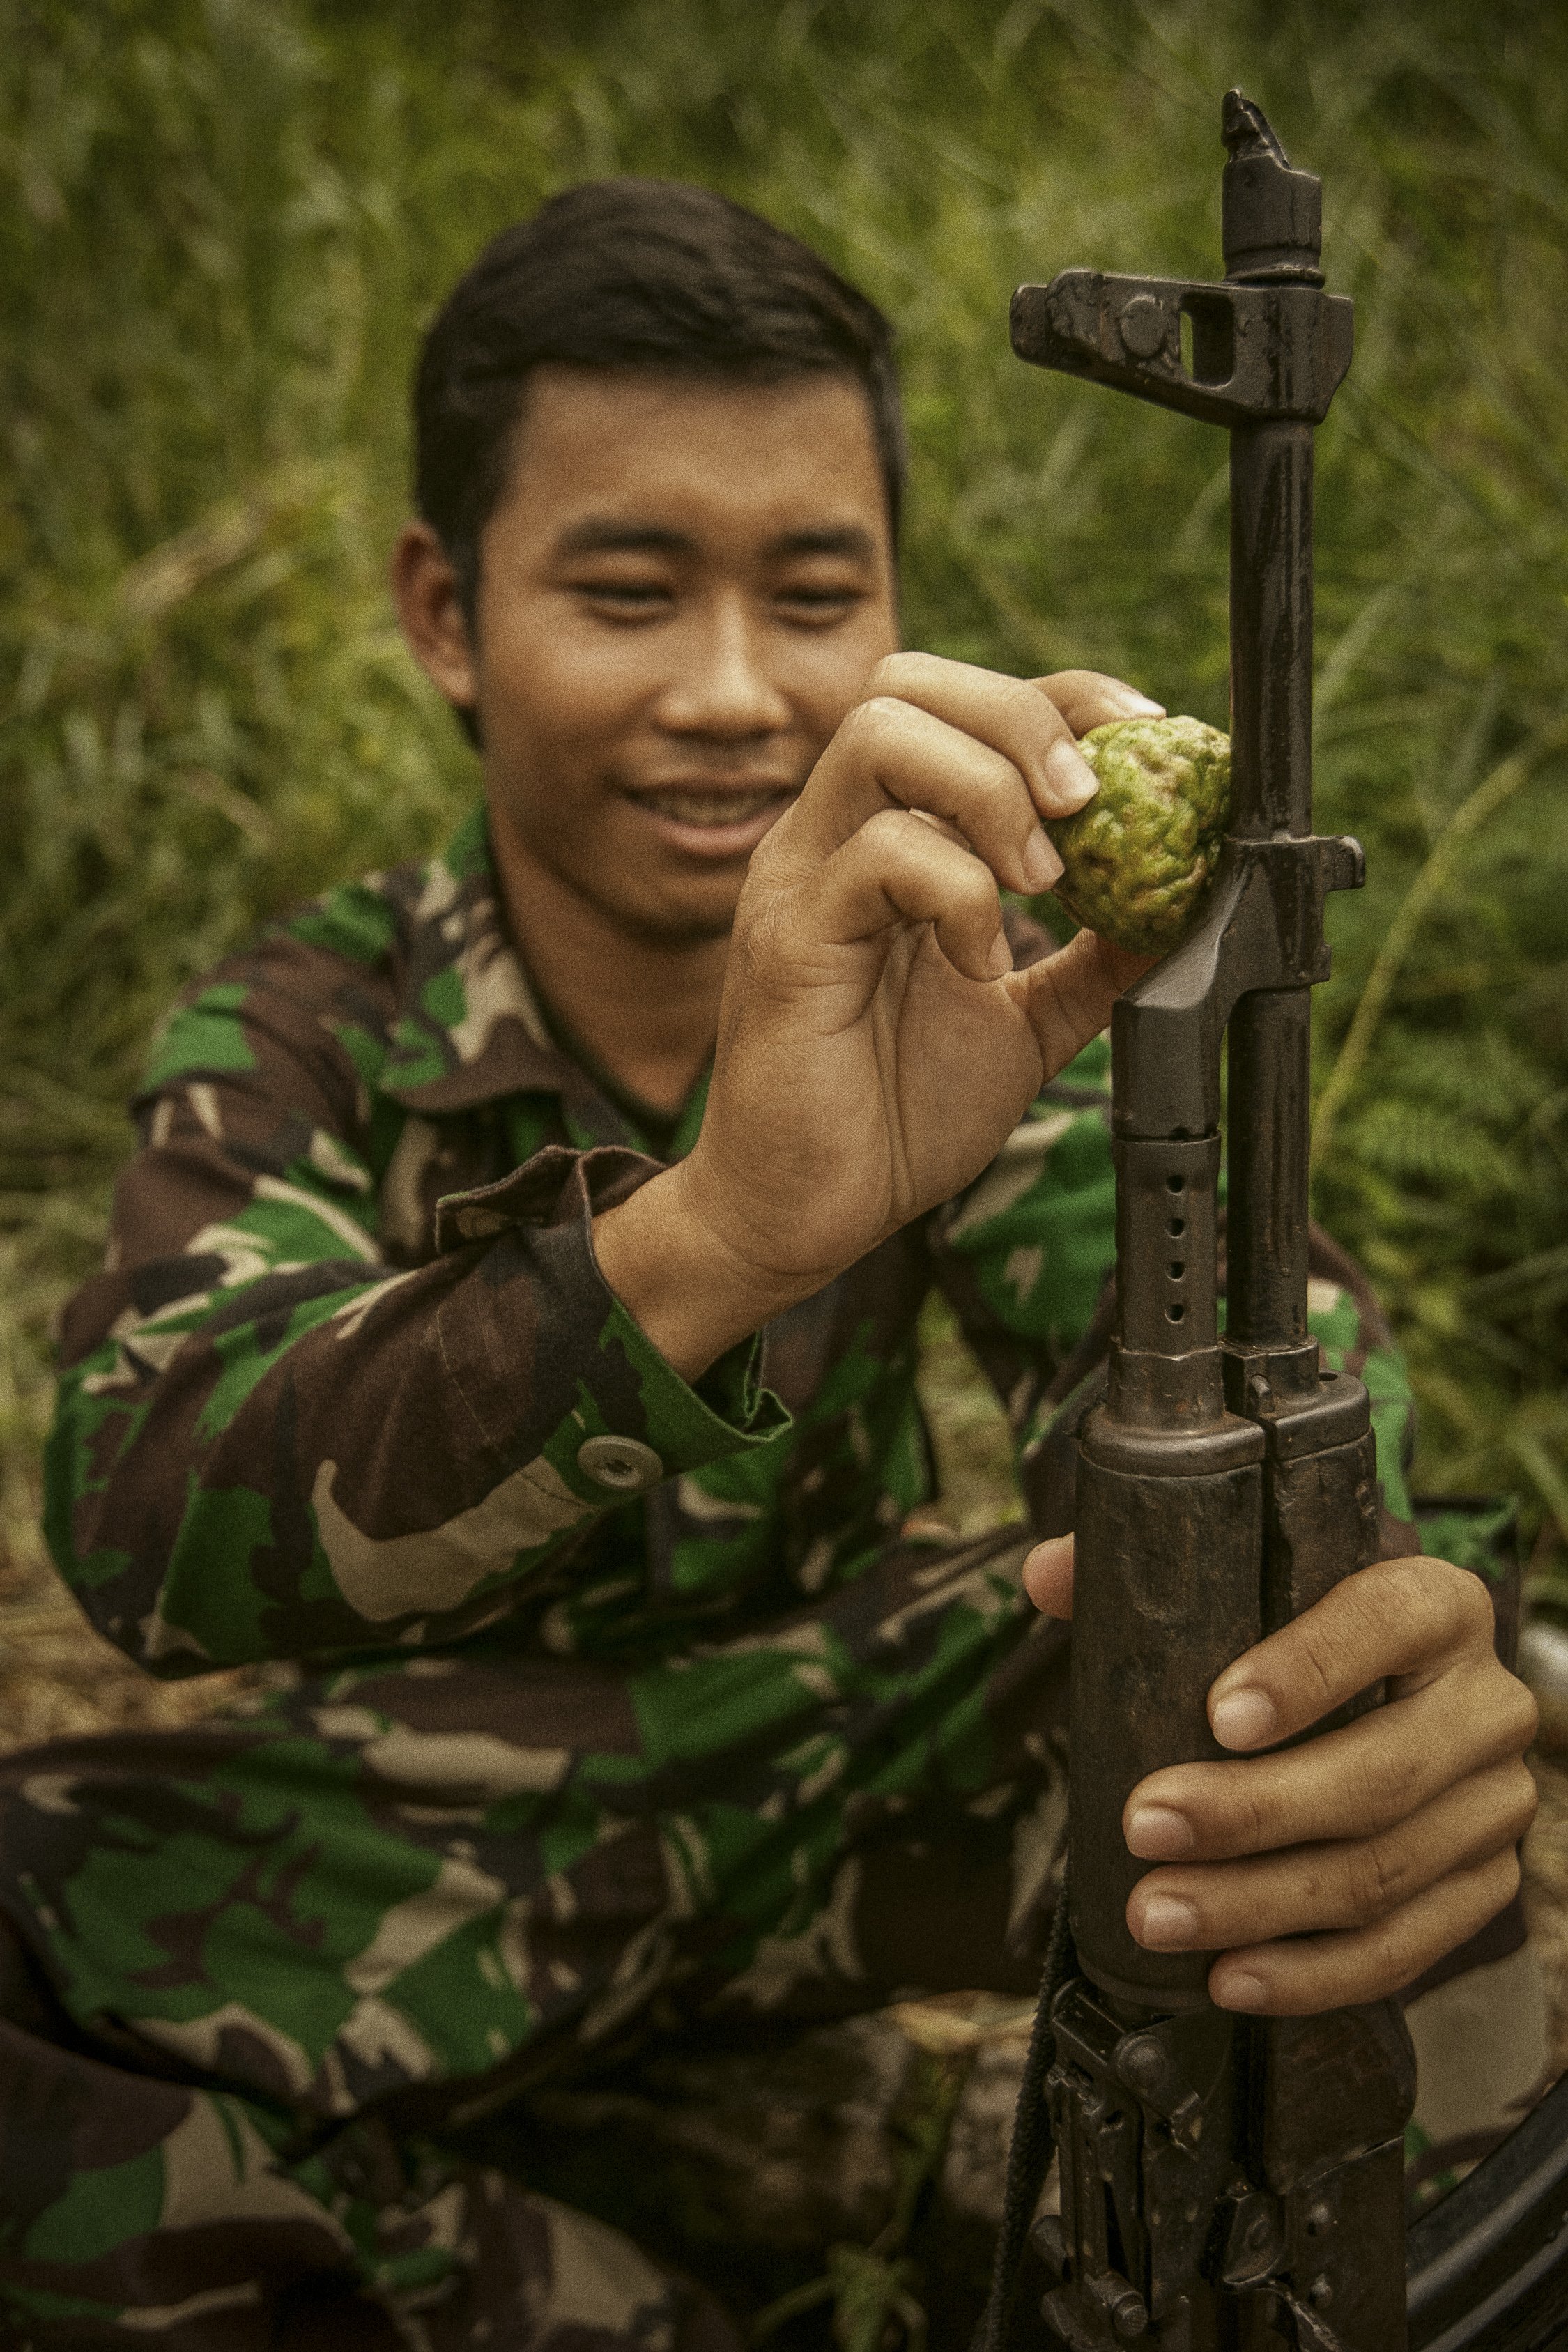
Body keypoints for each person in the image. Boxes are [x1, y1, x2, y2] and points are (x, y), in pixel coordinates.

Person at [0, 181, 1539, 2351]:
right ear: (445, 615)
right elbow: (147, 1524)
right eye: (626, 591)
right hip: (441, 1855)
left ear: (898, 607)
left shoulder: (980, 1003)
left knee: (1304, 1724)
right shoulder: (310, 1025)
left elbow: (1301, 1429)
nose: (733, 695)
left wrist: (1407, 1651)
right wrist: (718, 1228)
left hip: (818, 1786)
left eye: (813, 593)